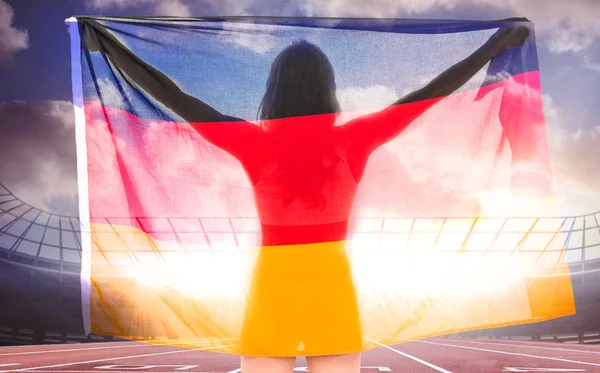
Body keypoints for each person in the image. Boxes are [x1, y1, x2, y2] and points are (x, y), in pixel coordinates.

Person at [81, 19, 530, 373]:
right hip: (330, 281)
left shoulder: (252, 143)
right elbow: (429, 94)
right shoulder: (353, 140)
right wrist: (492, 47)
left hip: (271, 284)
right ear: (329, 88)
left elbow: (175, 97)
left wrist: (113, 49)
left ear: (272, 90)